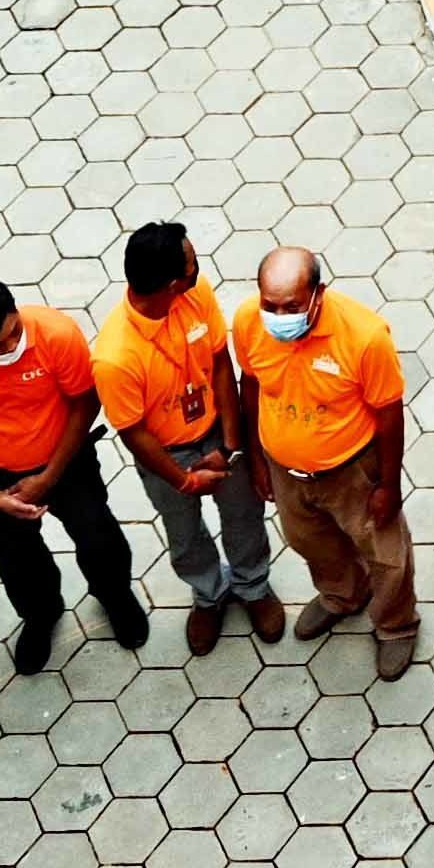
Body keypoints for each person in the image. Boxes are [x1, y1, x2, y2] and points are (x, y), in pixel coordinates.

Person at [0, 278, 149, 674]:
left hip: (67, 461)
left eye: (14, 332)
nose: (11, 346)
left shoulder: (56, 335)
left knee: (99, 537)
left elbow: (84, 402)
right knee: (16, 560)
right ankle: (41, 615)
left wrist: (48, 476)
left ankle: (115, 596)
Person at [96, 223, 281, 653]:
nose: (200, 270)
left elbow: (220, 364)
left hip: (218, 431)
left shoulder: (197, 297)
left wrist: (229, 447)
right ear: (172, 283)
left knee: (244, 513)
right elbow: (134, 433)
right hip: (166, 455)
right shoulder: (114, 357)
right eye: (193, 266)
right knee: (183, 532)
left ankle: (253, 587)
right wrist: (184, 481)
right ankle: (208, 594)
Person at [232, 244, 416, 670]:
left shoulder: (364, 337)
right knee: (308, 541)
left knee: (386, 555)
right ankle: (342, 595)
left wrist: (389, 485)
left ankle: (396, 624)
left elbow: (390, 415)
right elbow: (251, 385)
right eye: (269, 305)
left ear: (318, 294)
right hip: (286, 470)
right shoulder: (247, 321)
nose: (279, 317)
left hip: (353, 470)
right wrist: (257, 460)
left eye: (291, 306)